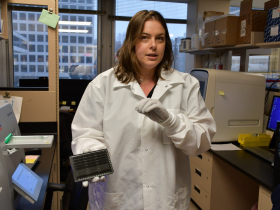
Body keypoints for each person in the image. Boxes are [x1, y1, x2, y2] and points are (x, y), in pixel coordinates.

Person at [71, 10, 216, 210]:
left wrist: (173, 122)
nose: (153, 45)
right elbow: (84, 133)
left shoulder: (185, 85)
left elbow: (202, 141)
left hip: (166, 200)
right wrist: (91, 150)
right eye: (144, 38)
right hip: (117, 198)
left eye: (160, 38)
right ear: (132, 42)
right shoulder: (102, 85)